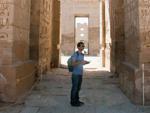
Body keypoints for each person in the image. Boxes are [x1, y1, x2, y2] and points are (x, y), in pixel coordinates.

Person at [70, 42, 90, 107]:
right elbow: (73, 64)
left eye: (83, 46)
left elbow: (80, 63)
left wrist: (85, 62)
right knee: (75, 88)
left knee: (78, 88)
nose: (83, 47)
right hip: (75, 74)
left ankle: (77, 100)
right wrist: (81, 62)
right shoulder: (75, 54)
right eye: (81, 46)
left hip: (80, 74)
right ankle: (73, 102)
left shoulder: (82, 54)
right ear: (78, 47)